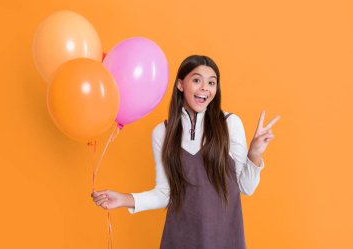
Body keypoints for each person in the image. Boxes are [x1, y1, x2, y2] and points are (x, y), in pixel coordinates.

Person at [91, 55, 280, 248]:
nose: (205, 88)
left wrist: (255, 152)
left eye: (212, 83)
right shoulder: (162, 132)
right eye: (197, 80)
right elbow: (165, 193)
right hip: (180, 239)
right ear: (181, 85)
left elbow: (246, 187)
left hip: (223, 240)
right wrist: (123, 199)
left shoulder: (229, 124)